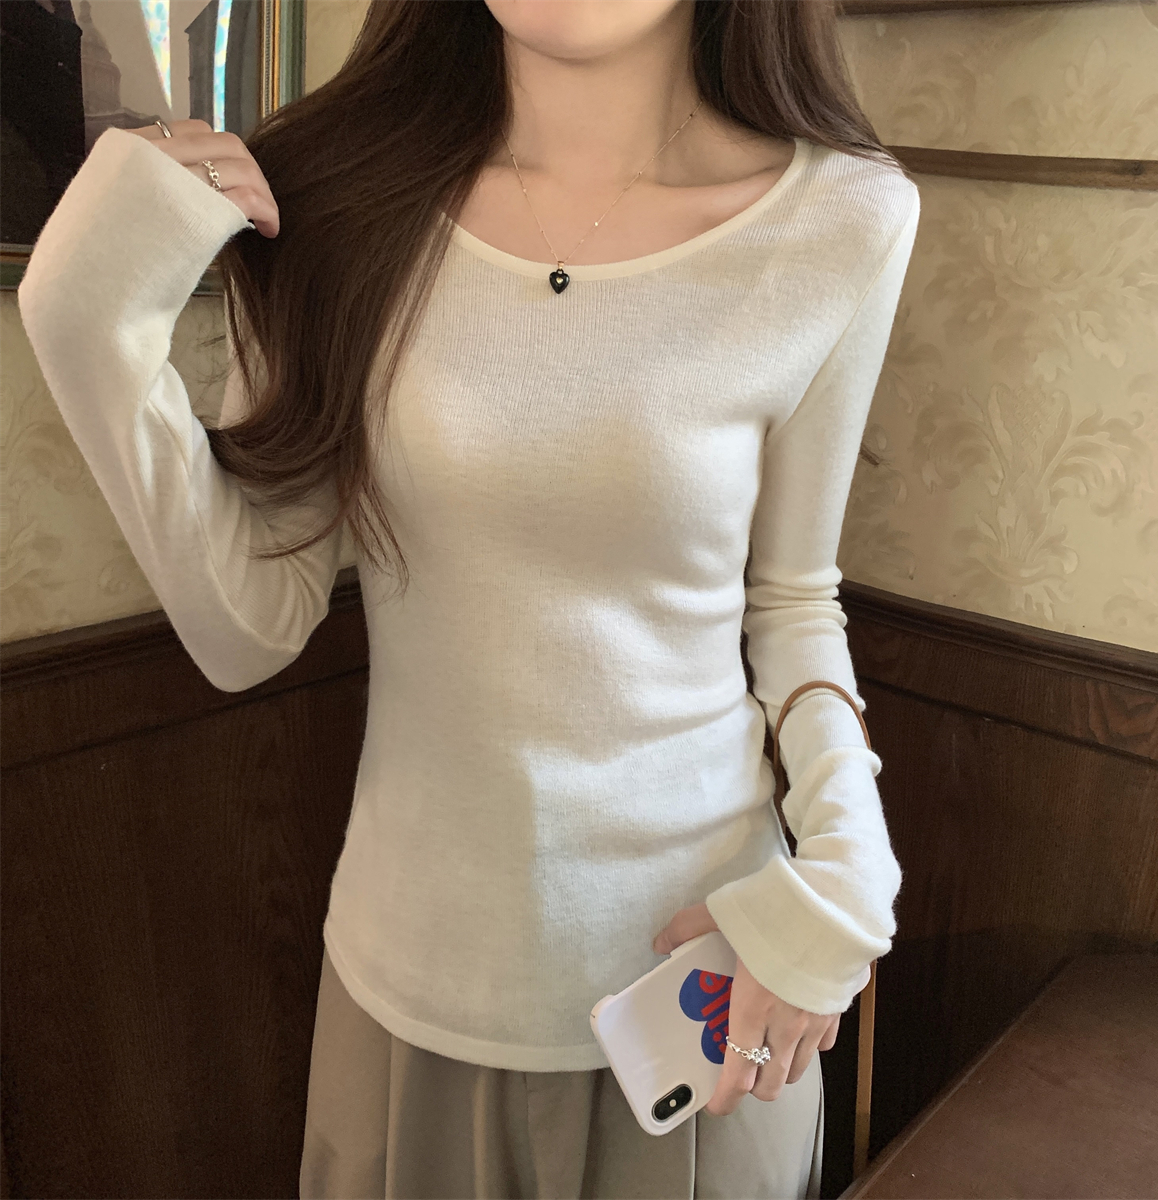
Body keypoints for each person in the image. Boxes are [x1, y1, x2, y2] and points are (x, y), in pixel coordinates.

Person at [17, 0, 918, 1195]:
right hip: (412, 982)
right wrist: (85, 314)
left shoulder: (846, 218)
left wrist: (852, 871)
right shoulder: (337, 198)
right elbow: (249, 627)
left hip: (714, 985)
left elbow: (793, 600)